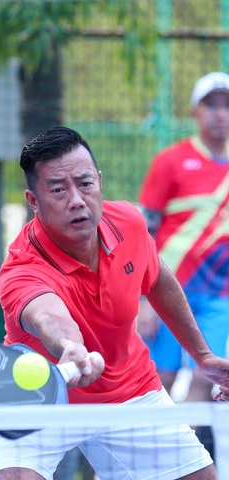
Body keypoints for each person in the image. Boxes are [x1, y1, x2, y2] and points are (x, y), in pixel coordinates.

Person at [0, 126, 229, 480]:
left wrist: (202, 355)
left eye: (85, 183)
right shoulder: (22, 267)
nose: (77, 200)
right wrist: (71, 347)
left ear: (99, 181)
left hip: (129, 389)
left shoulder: (127, 222)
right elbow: (47, 314)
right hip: (40, 395)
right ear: (33, 201)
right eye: (58, 189)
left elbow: (157, 277)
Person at [136, 71, 229, 459]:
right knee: (162, 376)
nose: (221, 113)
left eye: (227, 104)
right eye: (212, 104)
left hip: (218, 296)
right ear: (195, 111)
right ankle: (143, 453)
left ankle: (174, 458)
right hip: (167, 290)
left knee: (203, 379)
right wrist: (143, 297)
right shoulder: (171, 161)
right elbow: (142, 230)